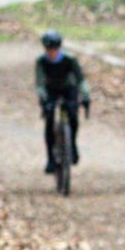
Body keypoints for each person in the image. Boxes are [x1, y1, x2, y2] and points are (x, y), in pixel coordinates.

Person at [35, 30, 90, 174]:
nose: (51, 53)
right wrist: (43, 98)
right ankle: (50, 158)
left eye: (54, 49)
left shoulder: (69, 60)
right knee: (49, 121)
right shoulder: (41, 61)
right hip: (51, 90)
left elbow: (81, 80)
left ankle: (72, 145)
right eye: (49, 49)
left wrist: (85, 95)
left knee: (73, 116)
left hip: (68, 88)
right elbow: (39, 83)